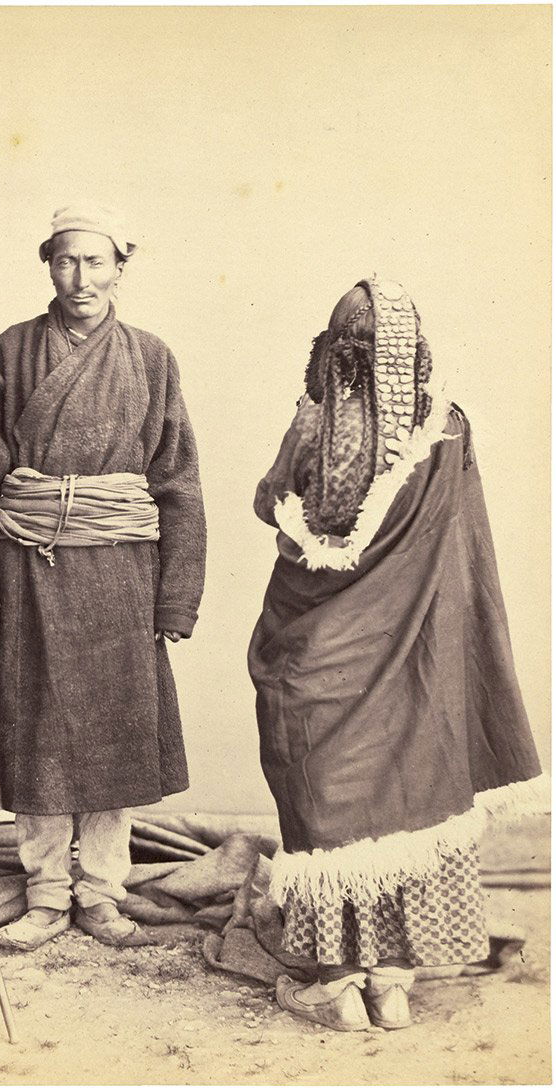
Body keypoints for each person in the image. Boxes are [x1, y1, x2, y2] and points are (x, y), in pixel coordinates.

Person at [248, 276, 545, 1031]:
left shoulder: (313, 423)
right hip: (416, 658)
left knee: (327, 800)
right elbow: (459, 555)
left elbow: (271, 503)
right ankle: (394, 983)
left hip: (316, 656)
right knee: (408, 797)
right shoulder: (449, 430)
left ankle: (336, 982)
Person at [0, 204, 206, 951]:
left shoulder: (151, 358)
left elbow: (179, 484)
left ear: (120, 268)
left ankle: (100, 891)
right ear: (49, 266)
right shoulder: (11, 350)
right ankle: (45, 893)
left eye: (96, 263)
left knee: (115, 737)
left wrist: (176, 595)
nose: (80, 277)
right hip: (28, 568)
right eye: (66, 261)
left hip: (123, 574)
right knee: (35, 736)